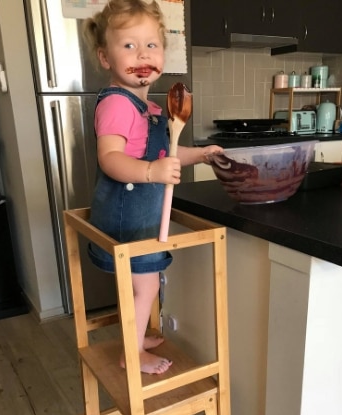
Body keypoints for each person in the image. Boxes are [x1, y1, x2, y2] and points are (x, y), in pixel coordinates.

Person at [83, 0, 223, 375]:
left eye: (151, 45)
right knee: (143, 289)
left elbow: (170, 154)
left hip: (142, 214)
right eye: (128, 45)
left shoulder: (154, 108)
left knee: (141, 288)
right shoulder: (116, 104)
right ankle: (132, 354)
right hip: (126, 216)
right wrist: (150, 173)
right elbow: (110, 159)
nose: (142, 54)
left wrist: (201, 155)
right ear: (105, 57)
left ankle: (138, 333)